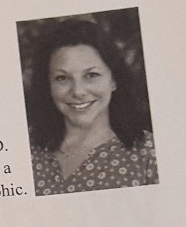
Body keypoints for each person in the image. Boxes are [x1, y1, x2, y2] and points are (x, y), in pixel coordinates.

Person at [25, 19, 157, 194]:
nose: (78, 91)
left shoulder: (148, 153)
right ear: (48, 85)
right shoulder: (25, 146)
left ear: (114, 80)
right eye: (62, 78)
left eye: (91, 75)